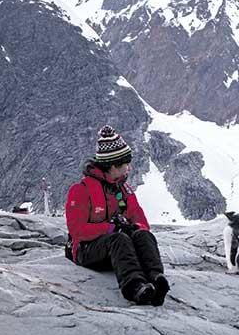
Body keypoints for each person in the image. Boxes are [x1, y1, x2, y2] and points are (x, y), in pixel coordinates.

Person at [65, 125, 170, 306]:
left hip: (117, 251)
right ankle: (134, 287)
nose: (128, 169)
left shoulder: (123, 189)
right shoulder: (81, 191)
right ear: (112, 166)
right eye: (124, 165)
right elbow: (77, 231)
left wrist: (135, 226)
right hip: (86, 249)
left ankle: (155, 278)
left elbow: (139, 217)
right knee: (118, 240)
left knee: (143, 235)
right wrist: (111, 228)